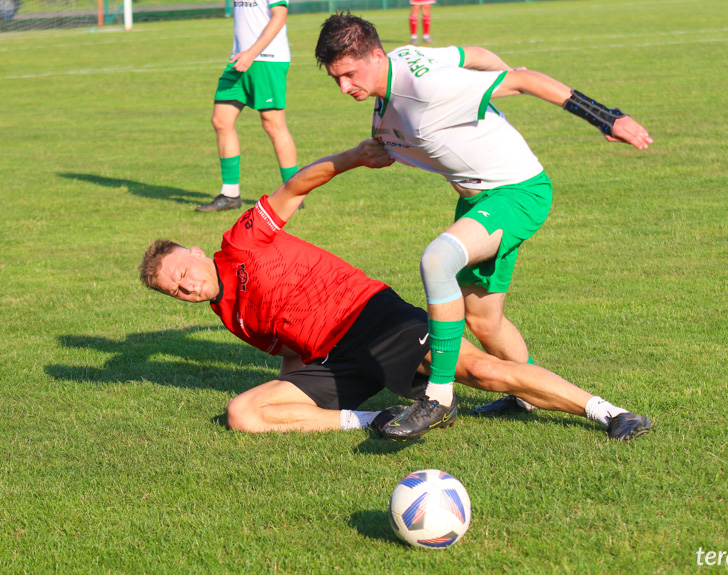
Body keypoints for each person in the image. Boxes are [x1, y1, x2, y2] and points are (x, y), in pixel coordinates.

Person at [139, 141, 653, 441]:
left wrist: (355, 157)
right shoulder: (231, 318)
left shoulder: (242, 240)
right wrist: (292, 394)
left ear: (197, 253)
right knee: (242, 413)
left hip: (374, 320)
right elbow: (291, 351)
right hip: (336, 362)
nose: (185, 285)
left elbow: (295, 187)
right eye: (175, 290)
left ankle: (607, 412)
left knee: (478, 371)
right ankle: (376, 417)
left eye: (182, 270)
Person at [314, 14, 654, 439]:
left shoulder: (427, 88)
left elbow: (524, 80)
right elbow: (473, 55)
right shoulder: (406, 60)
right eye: (336, 79)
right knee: (484, 321)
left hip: (517, 194)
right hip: (477, 200)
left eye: (349, 74)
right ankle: (528, 394)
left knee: (437, 260)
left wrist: (608, 118)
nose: (345, 87)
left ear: (376, 55)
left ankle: (438, 398)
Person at [196, 0, 299, 212]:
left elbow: (279, 16)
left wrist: (252, 53)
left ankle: (294, 193)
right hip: (239, 59)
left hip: (266, 60)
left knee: (273, 124)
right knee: (221, 121)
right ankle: (230, 194)